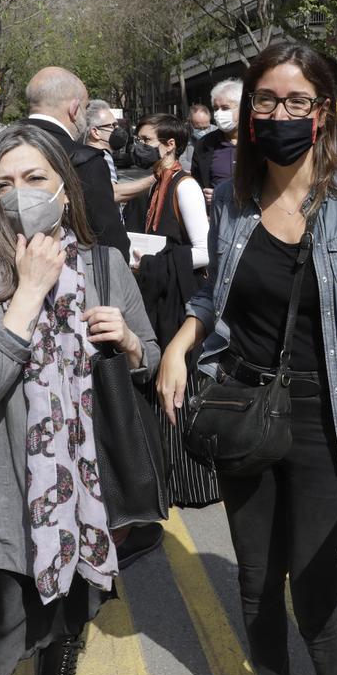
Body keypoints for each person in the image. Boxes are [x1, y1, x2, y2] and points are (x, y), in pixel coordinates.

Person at [157, 42, 337, 675]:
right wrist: (181, 342)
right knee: (257, 585)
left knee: (318, 593)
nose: (281, 113)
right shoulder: (233, 200)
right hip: (246, 409)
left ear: (322, 112)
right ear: (249, 112)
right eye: (266, 100)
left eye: (298, 100)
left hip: (329, 424)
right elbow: (214, 294)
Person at [0, 124, 159, 675]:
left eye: (35, 178)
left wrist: (130, 343)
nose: (21, 194)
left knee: (67, 630)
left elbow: (149, 359)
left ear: (64, 186)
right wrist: (28, 294)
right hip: (5, 505)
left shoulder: (104, 265)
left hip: (90, 498)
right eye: (5, 183)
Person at [0, 68, 131, 261]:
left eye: (35, 179)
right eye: (3, 185)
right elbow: (110, 244)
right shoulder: (86, 160)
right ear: (75, 109)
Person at [130, 113, 217, 514]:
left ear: (170, 145)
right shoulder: (154, 184)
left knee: (184, 385)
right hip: (159, 294)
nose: (139, 143)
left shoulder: (184, 186)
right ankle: (170, 477)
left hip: (181, 298)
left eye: (147, 139)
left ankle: (195, 481)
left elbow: (204, 249)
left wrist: (154, 258)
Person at [191, 78, 241, 204]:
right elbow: (197, 183)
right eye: (215, 108)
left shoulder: (261, 141)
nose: (218, 114)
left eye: (225, 108)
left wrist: (224, 195)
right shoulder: (204, 144)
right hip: (216, 218)